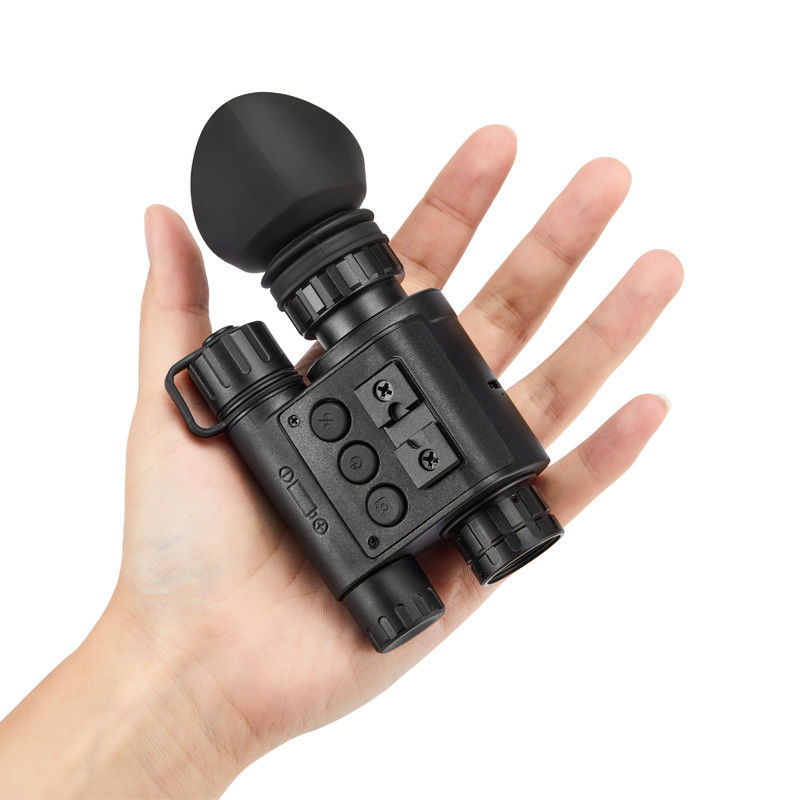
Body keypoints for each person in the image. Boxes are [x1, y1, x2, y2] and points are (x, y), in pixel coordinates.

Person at [0, 126, 682, 798]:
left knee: (444, 547)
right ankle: (497, 526)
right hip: (377, 545)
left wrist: (185, 682)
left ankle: (469, 539)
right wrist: (194, 677)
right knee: (497, 519)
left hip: (377, 566)